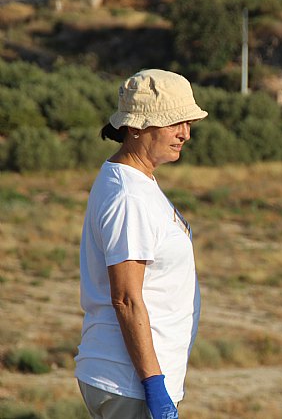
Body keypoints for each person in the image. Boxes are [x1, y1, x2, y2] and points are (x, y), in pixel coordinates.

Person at [75, 69, 208, 419]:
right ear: (135, 127)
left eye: (188, 122)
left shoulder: (136, 182)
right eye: (174, 123)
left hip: (130, 380)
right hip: (128, 383)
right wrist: (154, 387)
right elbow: (126, 298)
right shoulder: (128, 196)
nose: (186, 134)